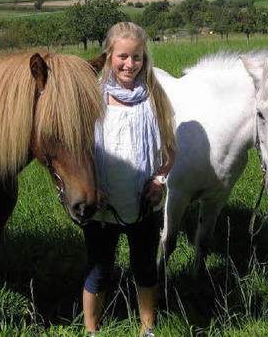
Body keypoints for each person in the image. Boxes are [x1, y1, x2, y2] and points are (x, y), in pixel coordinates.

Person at [82, 22, 176, 336]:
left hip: (143, 203)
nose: (130, 64)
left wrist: (159, 181)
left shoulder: (154, 97)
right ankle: (91, 329)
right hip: (101, 206)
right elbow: (79, 153)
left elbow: (170, 150)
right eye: (123, 56)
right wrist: (92, 188)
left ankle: (147, 329)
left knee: (145, 269)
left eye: (136, 57)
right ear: (109, 56)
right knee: (100, 269)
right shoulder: (91, 99)